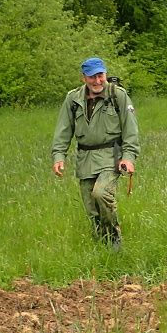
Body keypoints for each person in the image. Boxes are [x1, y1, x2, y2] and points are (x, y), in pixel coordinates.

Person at [52, 58, 140, 250]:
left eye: (100, 76)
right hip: (85, 159)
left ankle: (114, 237)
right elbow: (63, 130)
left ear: (105, 75)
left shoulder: (118, 96)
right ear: (84, 78)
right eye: (92, 77)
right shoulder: (73, 99)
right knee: (92, 208)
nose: (97, 81)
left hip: (111, 156)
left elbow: (131, 129)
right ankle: (103, 244)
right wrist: (59, 156)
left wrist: (128, 157)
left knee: (101, 193)